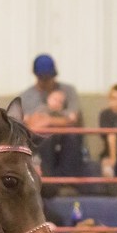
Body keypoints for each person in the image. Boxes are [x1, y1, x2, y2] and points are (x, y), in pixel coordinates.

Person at [18, 54, 86, 184]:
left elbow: (73, 118)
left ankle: (68, 181)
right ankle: (49, 180)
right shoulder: (26, 96)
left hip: (65, 138)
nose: (47, 81)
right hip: (41, 140)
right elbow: (30, 124)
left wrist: (48, 121)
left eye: (49, 77)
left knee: (71, 135)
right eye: (43, 78)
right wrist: (59, 120)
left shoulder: (68, 91)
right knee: (43, 137)